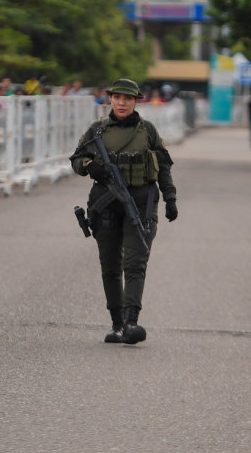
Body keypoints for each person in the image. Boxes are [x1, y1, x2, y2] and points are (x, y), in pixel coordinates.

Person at [70, 79, 177, 345]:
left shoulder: (147, 131)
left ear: (136, 101)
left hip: (140, 203)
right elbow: (75, 159)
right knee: (110, 265)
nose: (121, 103)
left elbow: (163, 165)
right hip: (105, 205)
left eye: (127, 99)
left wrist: (170, 197)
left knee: (136, 262)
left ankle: (131, 321)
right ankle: (117, 324)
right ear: (110, 100)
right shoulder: (97, 130)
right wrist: (89, 166)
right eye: (117, 98)